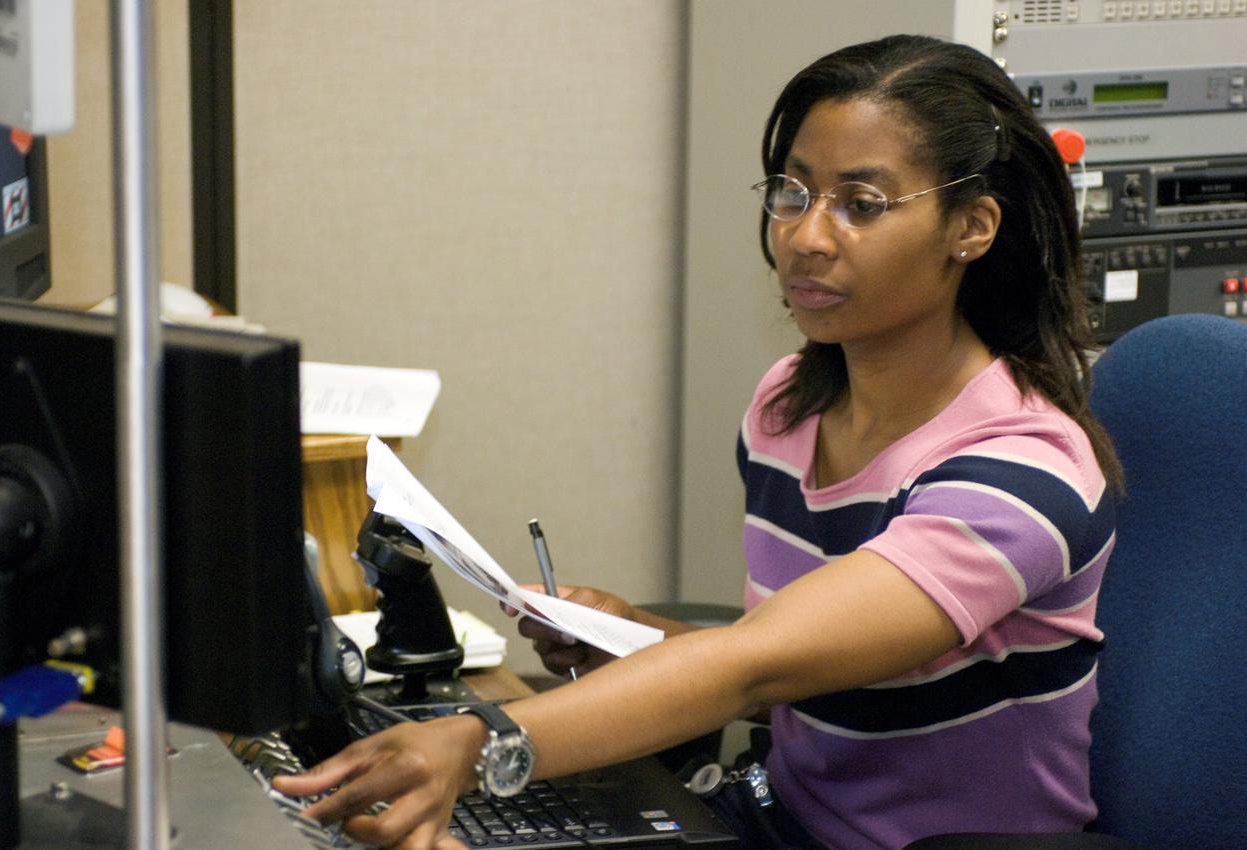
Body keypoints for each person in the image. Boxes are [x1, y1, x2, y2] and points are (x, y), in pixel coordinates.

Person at [275, 33, 1124, 850]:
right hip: (780, 817)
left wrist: (481, 739)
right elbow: (800, 678)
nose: (807, 235)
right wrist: (636, 635)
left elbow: (754, 668)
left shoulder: (1021, 472)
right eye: (792, 192)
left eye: (861, 205)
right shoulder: (789, 407)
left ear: (971, 227)